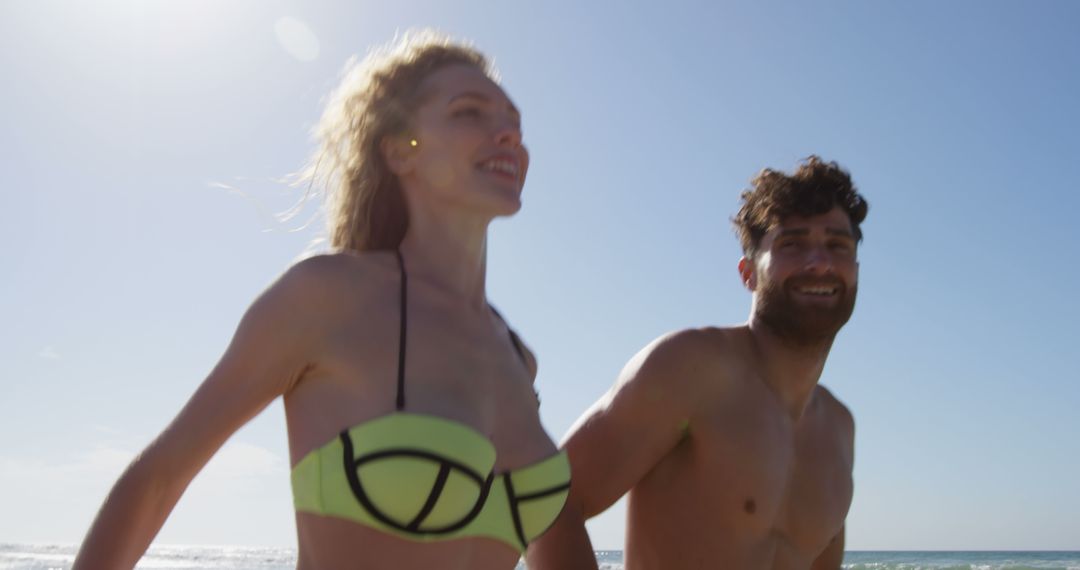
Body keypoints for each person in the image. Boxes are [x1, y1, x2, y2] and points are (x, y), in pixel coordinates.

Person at [74, 31, 594, 570]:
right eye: (469, 113)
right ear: (399, 149)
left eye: (514, 121)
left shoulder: (515, 354)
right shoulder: (326, 298)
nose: (508, 134)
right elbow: (156, 481)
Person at [529, 156, 868, 570]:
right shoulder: (692, 369)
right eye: (792, 244)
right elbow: (548, 501)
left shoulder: (838, 427)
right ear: (748, 274)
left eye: (838, 245)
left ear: (855, 269)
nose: (819, 263)